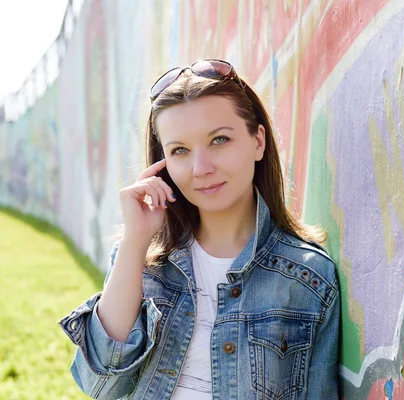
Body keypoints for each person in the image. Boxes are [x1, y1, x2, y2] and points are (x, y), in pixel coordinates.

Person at [58, 59, 340, 399]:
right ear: (162, 164)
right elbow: (100, 384)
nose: (200, 168)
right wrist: (135, 240)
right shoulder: (142, 259)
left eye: (219, 140)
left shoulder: (308, 277)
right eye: (180, 150)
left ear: (258, 142)